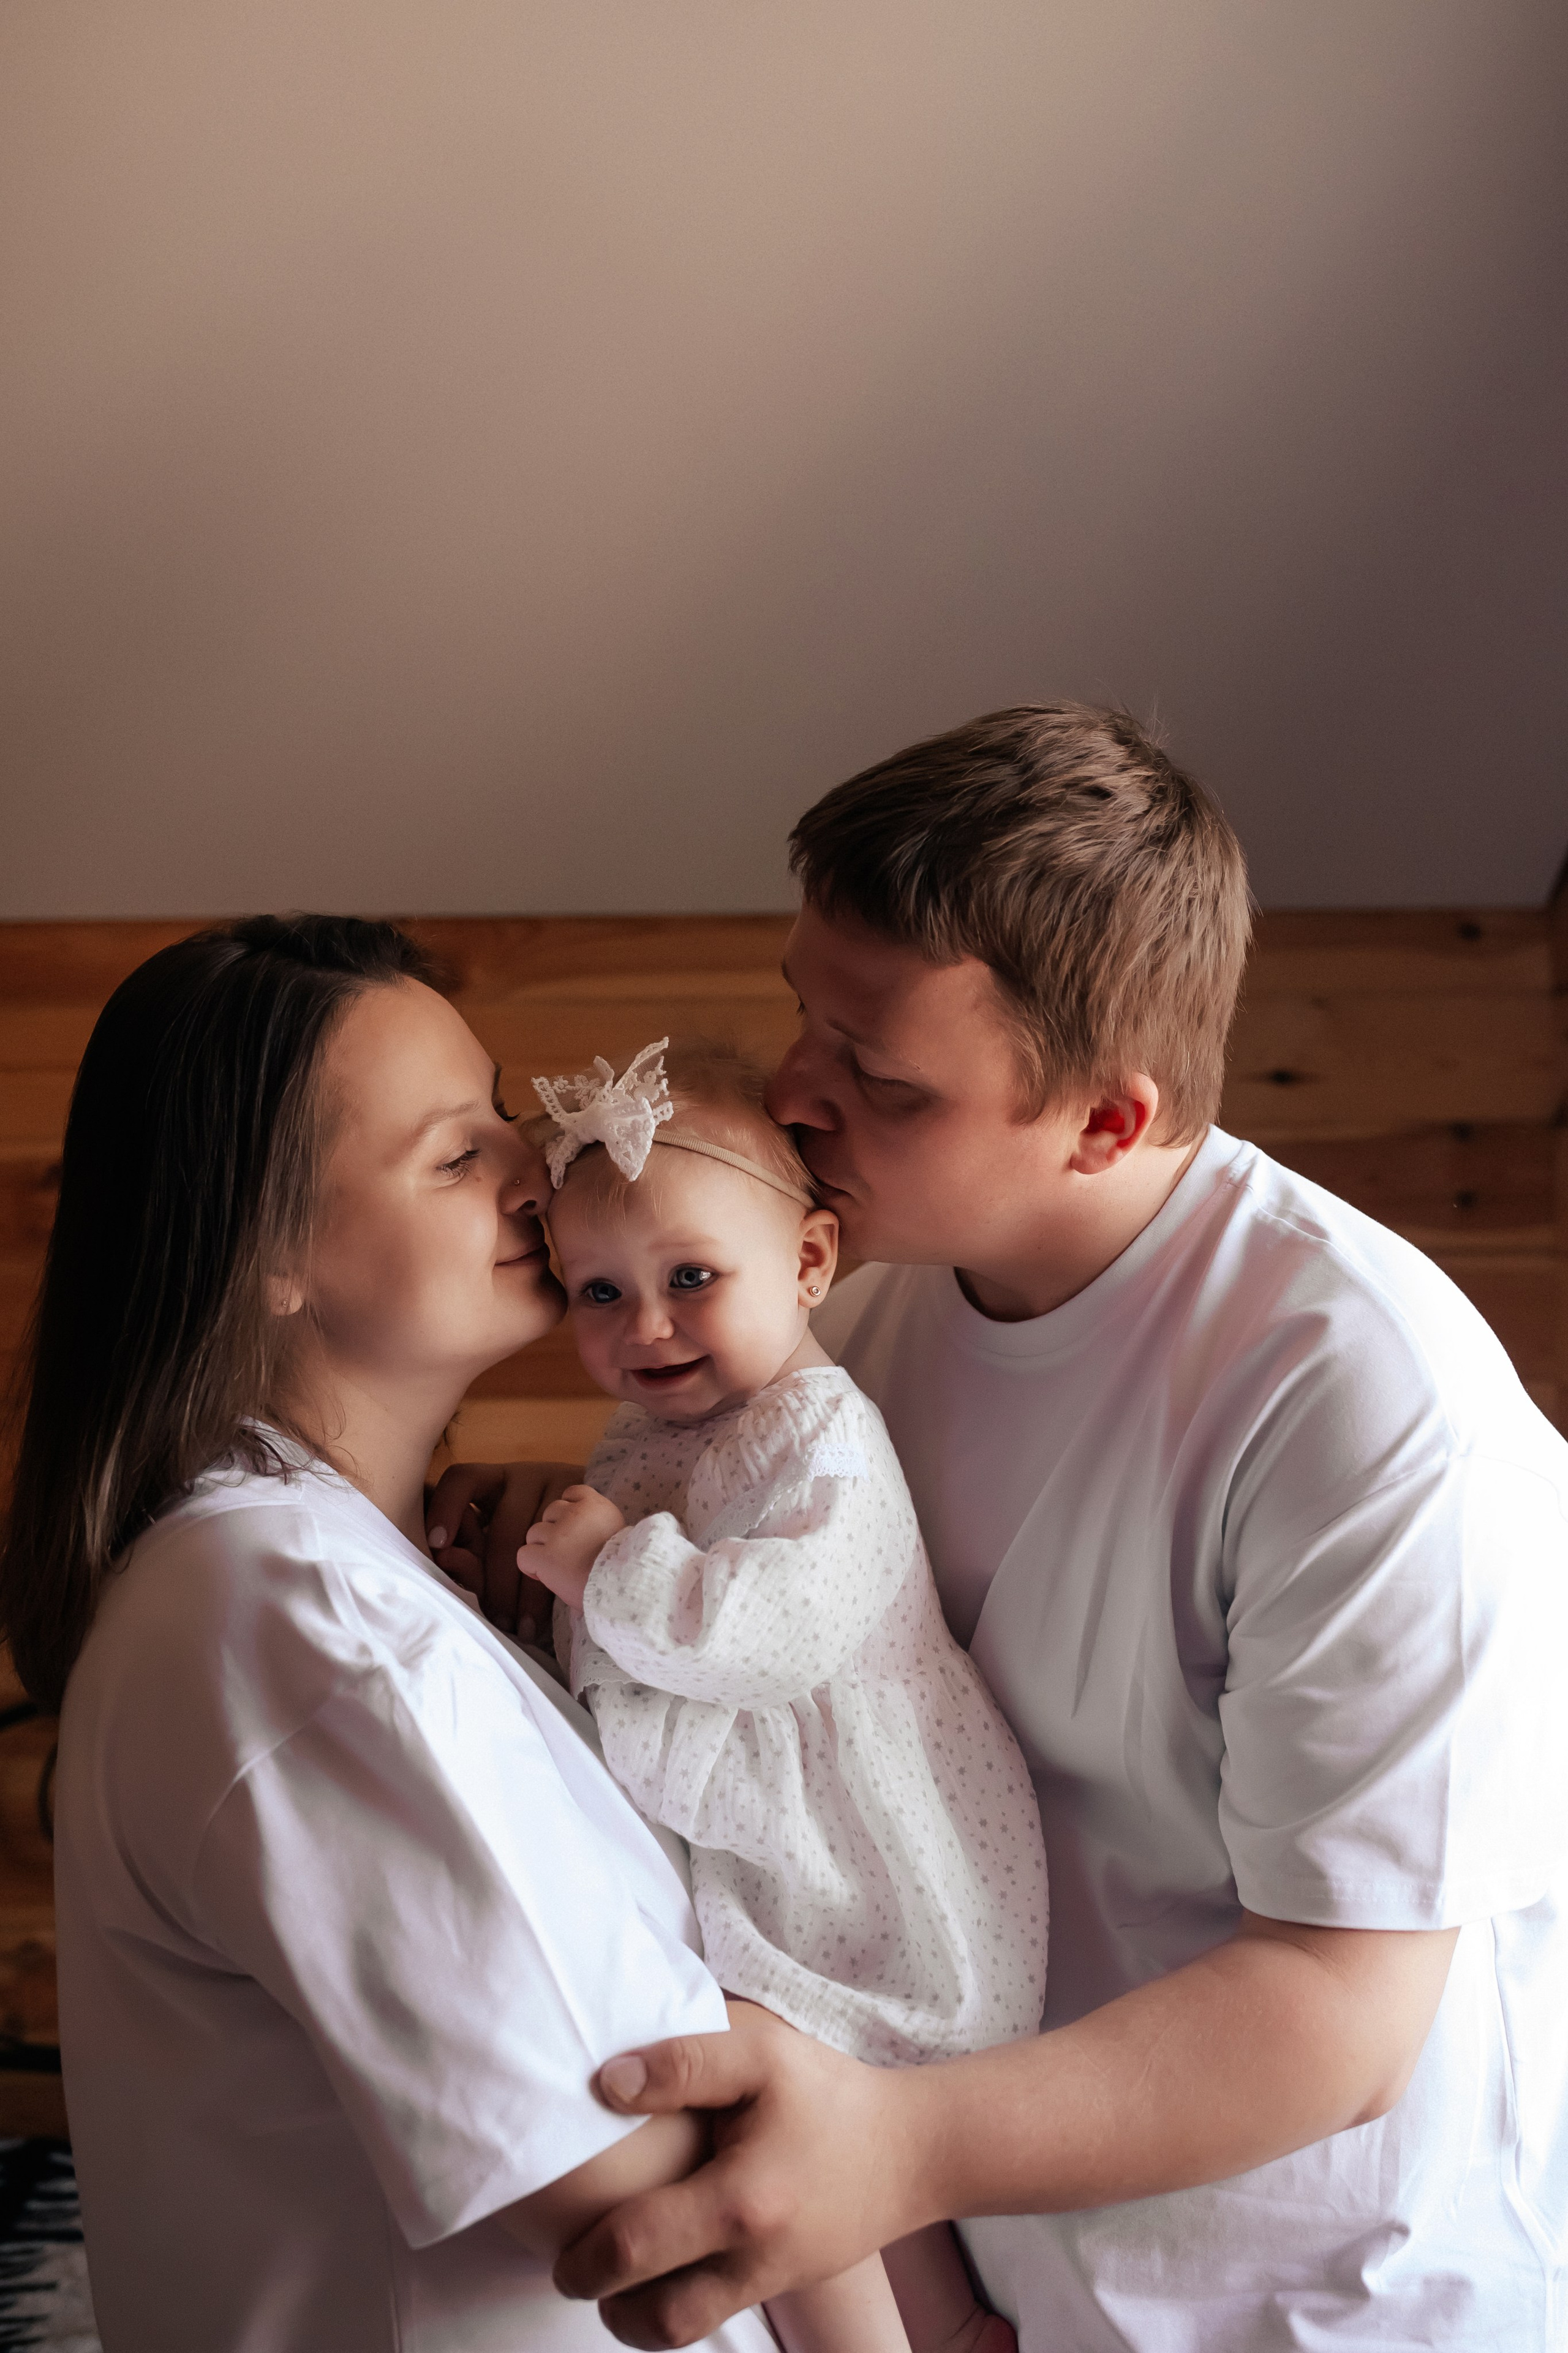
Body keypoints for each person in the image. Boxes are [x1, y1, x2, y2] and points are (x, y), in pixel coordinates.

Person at [442, 706, 1568, 2351]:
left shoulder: (1361, 1395)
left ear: (1110, 1122)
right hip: (1006, 2268)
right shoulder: (859, 1301)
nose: (798, 1098)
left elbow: (1341, 2014)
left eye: (879, 1076)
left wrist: (887, 2148)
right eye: (800, 1018)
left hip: (1338, 2296)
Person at [0, 915, 777, 2353]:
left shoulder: (320, 1583)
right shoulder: (303, 1616)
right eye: (451, 1154)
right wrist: (865, 2087)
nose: (531, 1167)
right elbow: (625, 2185)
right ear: (268, 1254)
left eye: (504, 1116)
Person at [522, 1036, 1046, 2353]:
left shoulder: (823, 1431)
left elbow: (768, 1631)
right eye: (595, 1290)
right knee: (824, 2149)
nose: (642, 1327)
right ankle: (948, 2334)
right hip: (773, 1852)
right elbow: (618, 1634)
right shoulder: (653, 1429)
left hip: (867, 1869)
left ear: (808, 1262)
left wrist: (604, 1566)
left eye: (689, 1278)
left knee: (799, 2131)